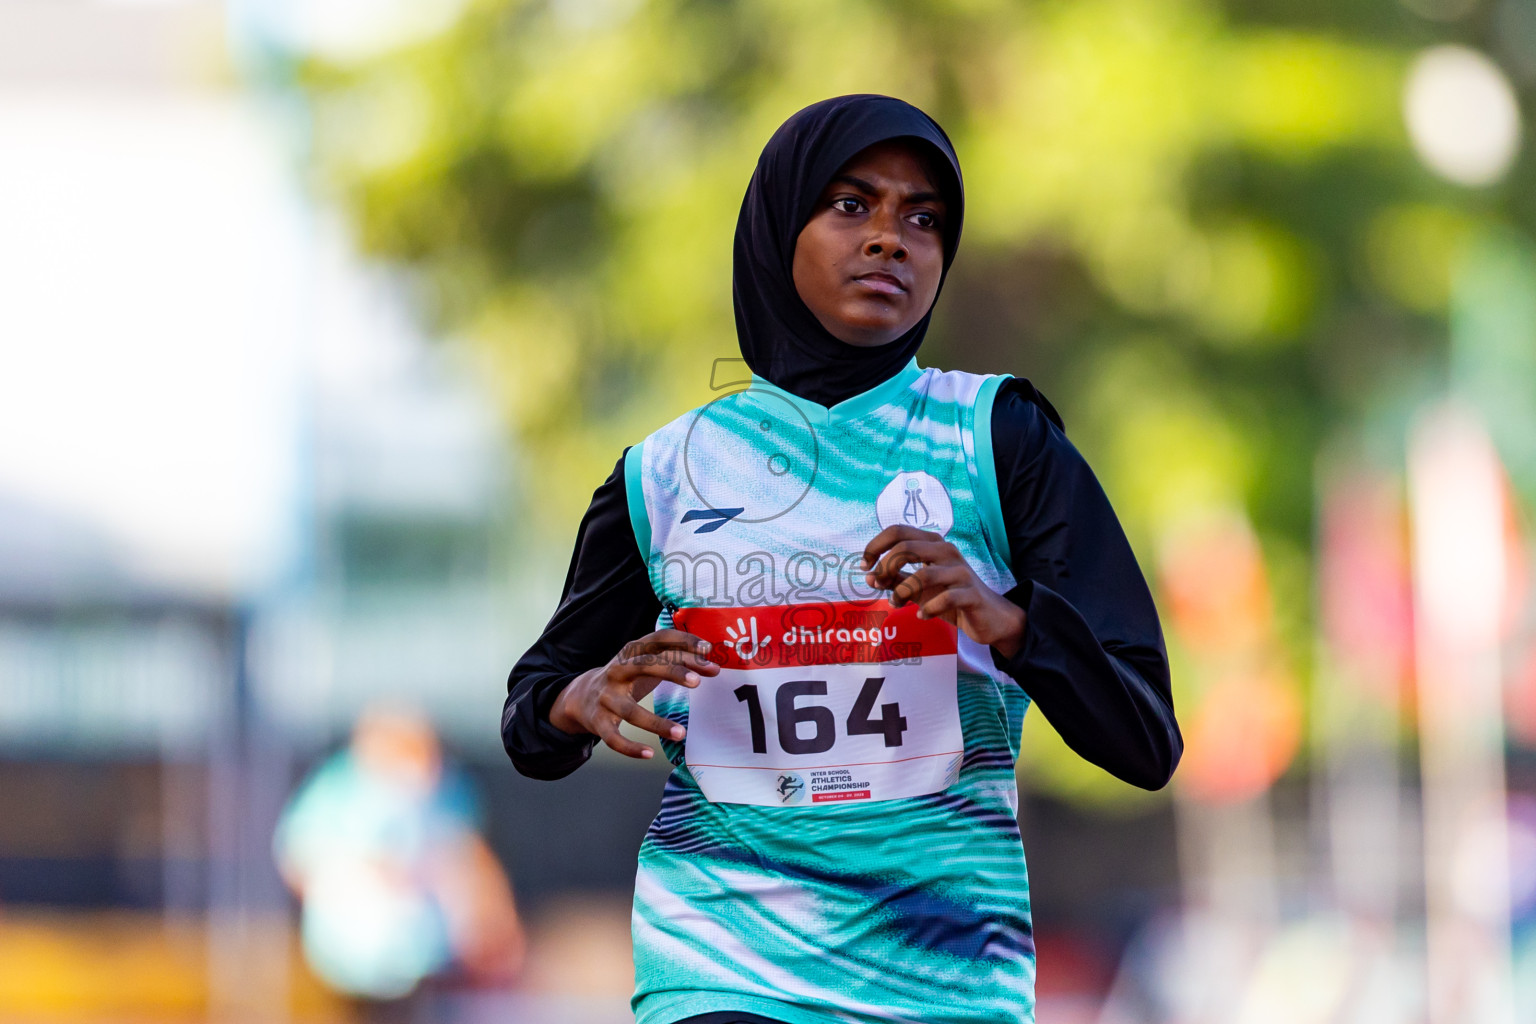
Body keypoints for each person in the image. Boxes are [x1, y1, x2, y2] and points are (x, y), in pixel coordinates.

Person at [502, 94, 1181, 1024]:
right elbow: (532, 714)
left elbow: (1146, 741)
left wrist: (1012, 623)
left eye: (923, 218)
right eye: (852, 206)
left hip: (942, 981)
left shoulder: (999, 438)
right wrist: (579, 700)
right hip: (723, 964)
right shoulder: (663, 473)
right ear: (780, 225)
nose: (890, 239)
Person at [276, 705, 525, 1017]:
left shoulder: (447, 791)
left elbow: (466, 859)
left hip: (421, 957)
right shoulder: (337, 790)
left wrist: (492, 924)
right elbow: (298, 858)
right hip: (352, 957)